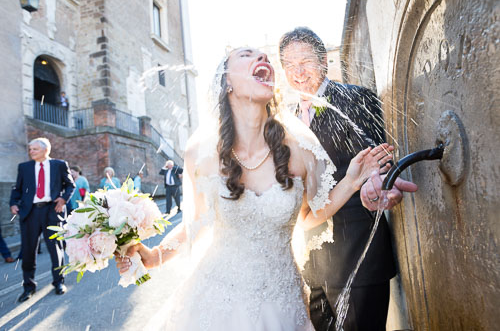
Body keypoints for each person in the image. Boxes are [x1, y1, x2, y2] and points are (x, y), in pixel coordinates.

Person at [116, 48, 393, 330]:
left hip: (283, 301)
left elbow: (309, 216)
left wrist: (351, 181)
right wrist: (154, 256)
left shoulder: (300, 147)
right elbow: (194, 224)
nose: (262, 59)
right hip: (216, 300)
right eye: (246, 55)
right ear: (227, 83)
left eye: (264, 56)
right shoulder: (201, 154)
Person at [279, 27, 418, 330]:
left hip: (359, 259)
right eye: (289, 65)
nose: (298, 72)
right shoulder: (285, 120)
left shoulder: (355, 98)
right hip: (312, 267)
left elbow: (379, 159)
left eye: (306, 61)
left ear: (324, 61)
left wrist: (377, 184)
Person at [9, 137, 75, 302]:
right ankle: (28, 287)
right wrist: (13, 203)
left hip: (52, 211)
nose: (31, 152)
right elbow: (17, 189)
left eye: (34, 149)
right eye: (30, 149)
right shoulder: (24, 167)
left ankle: (59, 282)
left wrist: (63, 199)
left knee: (55, 249)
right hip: (29, 212)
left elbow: (70, 185)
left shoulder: (59, 165)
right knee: (28, 250)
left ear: (46, 150)